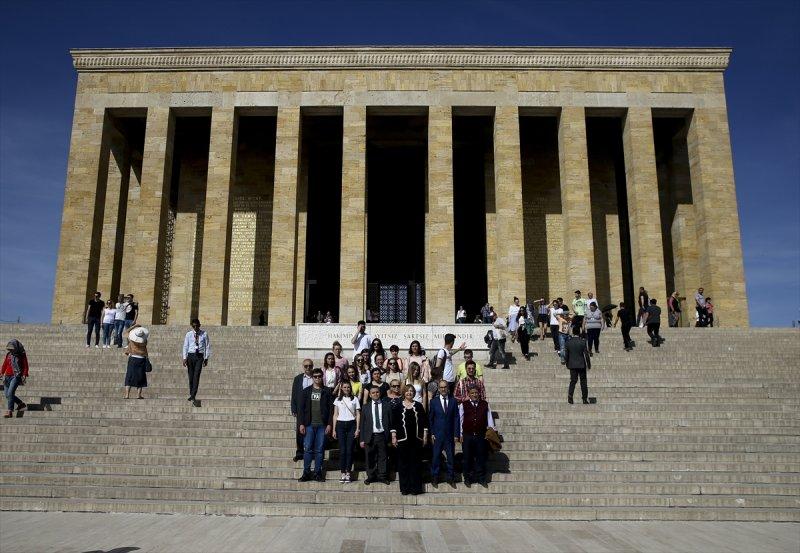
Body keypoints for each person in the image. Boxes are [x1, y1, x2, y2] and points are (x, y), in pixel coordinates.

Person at [390, 385, 428, 495]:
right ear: (404, 392)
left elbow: (424, 422)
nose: (409, 393)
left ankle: (415, 488)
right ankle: (405, 488)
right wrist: (393, 436)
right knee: (403, 465)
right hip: (403, 439)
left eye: (412, 391)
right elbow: (394, 422)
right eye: (407, 391)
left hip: (416, 439)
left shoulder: (419, 405)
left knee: (415, 464)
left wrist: (425, 435)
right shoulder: (398, 406)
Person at [298, 368, 333, 482]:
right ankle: (306, 473)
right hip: (309, 425)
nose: (317, 378)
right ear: (312, 378)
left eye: (319, 376)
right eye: (315, 376)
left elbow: (331, 410)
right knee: (307, 449)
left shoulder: (327, 391)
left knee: (319, 450)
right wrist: (301, 424)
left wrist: (329, 424)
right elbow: (301, 410)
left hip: (322, 425)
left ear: (322, 377)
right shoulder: (306, 391)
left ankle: (318, 473)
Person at [459, 386, 495, 487]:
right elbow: (461, 420)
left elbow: (489, 419)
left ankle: (481, 478)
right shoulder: (463, 405)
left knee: (481, 457)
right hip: (467, 435)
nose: (474, 394)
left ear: (479, 393)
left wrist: (491, 431)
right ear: (469, 394)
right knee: (467, 457)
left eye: (476, 393)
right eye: (472, 393)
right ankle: (467, 478)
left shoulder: (485, 404)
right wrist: (460, 434)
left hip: (480, 435)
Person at [428, 379, 460, 487]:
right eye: (441, 387)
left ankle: (450, 477)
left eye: (445, 387)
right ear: (438, 389)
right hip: (437, 435)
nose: (443, 389)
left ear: (448, 388)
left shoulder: (453, 401)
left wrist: (456, 434)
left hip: (450, 435)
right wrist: (431, 433)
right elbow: (431, 419)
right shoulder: (433, 402)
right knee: (436, 457)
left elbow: (456, 418)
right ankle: (435, 477)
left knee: (451, 457)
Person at [360, 386, 391, 485]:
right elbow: (362, 424)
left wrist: (391, 437)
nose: (375, 394)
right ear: (369, 395)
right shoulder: (365, 407)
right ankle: (371, 476)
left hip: (382, 435)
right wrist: (362, 439)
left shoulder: (386, 405)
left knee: (383, 457)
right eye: (373, 393)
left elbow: (390, 421)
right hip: (370, 435)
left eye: (377, 392)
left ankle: (382, 476)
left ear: (380, 393)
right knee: (370, 457)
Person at [332, 380, 360, 483]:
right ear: (341, 388)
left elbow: (358, 414)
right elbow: (335, 415)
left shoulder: (355, 399)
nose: (346, 389)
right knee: (343, 450)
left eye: (348, 387)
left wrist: (357, 428)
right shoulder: (337, 400)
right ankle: (342, 472)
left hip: (351, 424)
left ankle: (348, 472)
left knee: (349, 450)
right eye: (344, 387)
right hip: (340, 425)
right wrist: (334, 429)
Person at [182, 318, 211, 406]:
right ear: (192, 326)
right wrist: (184, 357)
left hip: (199, 356)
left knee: (196, 375)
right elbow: (185, 346)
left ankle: (193, 394)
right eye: (193, 326)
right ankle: (191, 393)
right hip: (191, 355)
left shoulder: (204, 334)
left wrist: (206, 358)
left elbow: (207, 346)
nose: (195, 327)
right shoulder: (189, 334)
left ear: (199, 325)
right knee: (191, 376)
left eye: (197, 326)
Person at [291, 359, 315, 462]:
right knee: (299, 431)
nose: (308, 368)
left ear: (312, 366)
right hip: (301, 408)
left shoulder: (316, 377)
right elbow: (294, 394)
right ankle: (300, 452)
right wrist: (293, 407)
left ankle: (312, 452)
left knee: (312, 430)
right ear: (303, 367)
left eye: (310, 366)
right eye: (306, 366)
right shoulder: (298, 379)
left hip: (313, 407)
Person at [563, 329, 591, 404]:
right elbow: (586, 354)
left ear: (573, 333)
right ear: (579, 333)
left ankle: (570, 397)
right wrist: (589, 364)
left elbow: (566, 355)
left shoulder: (568, 342)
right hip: (581, 364)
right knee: (583, 381)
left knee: (573, 381)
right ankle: (584, 399)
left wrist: (567, 363)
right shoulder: (583, 342)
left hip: (572, 365)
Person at [2, 340, 28, 418]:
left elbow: (25, 365)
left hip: (16, 376)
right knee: (7, 395)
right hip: (7, 376)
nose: (10, 350)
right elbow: (5, 364)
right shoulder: (8, 354)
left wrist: (24, 374)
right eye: (9, 349)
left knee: (10, 393)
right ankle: (21, 404)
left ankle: (10, 411)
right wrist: (1, 373)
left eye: (11, 349)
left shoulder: (21, 355)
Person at [123, 325, 149, 400]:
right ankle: (138, 395)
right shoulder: (144, 341)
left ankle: (127, 395)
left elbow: (126, 332)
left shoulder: (131, 340)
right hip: (141, 358)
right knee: (141, 376)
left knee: (129, 376)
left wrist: (135, 326)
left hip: (133, 358)